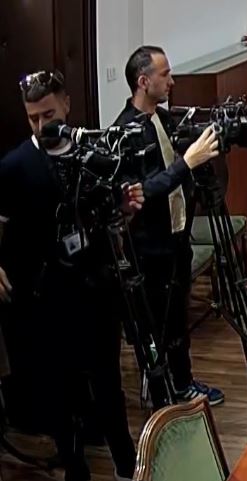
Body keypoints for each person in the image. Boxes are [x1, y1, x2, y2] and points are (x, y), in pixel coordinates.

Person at [0, 70, 146, 480]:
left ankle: (127, 463)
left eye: (48, 114)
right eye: (33, 118)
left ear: (66, 103)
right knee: (58, 389)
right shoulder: (13, 166)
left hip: (97, 287)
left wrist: (126, 209)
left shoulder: (92, 154)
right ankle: (74, 466)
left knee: (108, 382)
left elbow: (114, 218)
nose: (42, 125)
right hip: (45, 295)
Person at [115, 46, 225, 406]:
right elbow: (142, 191)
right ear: (143, 81)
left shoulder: (164, 119)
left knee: (178, 319)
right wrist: (186, 164)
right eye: (165, 75)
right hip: (150, 247)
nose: (172, 81)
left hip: (177, 238)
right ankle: (163, 390)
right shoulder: (125, 131)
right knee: (158, 323)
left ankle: (182, 381)